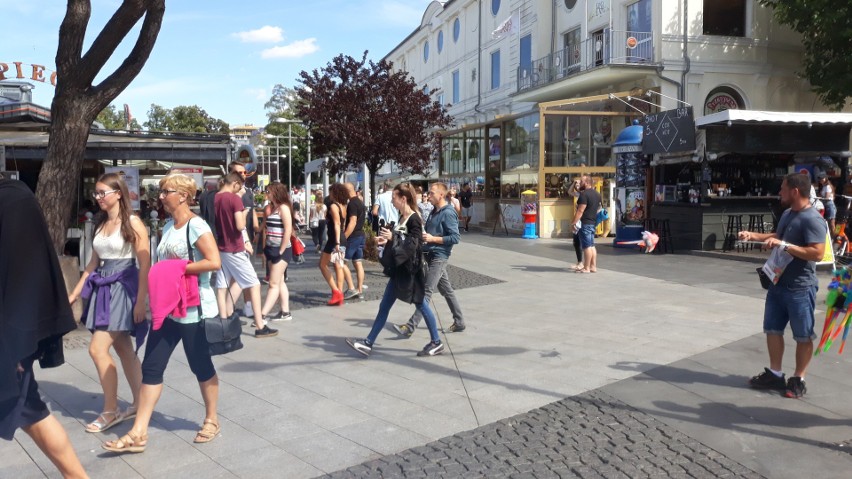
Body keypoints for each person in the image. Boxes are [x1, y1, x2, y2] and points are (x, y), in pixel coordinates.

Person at [103, 174, 223, 453]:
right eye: (160, 191)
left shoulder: (196, 225)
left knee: (201, 367)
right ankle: (139, 431)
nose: (159, 196)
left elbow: (214, 261)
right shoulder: (169, 225)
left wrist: (177, 268)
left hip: (193, 309)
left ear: (182, 195)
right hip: (167, 309)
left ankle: (211, 420)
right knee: (152, 367)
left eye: (165, 191)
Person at [0, 179, 89, 478]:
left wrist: (15, 344)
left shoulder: (14, 202)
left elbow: (22, 279)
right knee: (29, 411)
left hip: (9, 334)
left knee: (30, 410)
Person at [68, 173, 148, 434]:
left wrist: (140, 302)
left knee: (97, 349)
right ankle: (139, 402)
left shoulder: (133, 222)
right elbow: (92, 264)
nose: (99, 197)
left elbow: (145, 264)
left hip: (123, 287)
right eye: (97, 193)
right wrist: (76, 292)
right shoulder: (101, 223)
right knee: (124, 347)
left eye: (103, 192)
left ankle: (110, 411)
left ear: (118, 193)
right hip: (103, 287)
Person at [738, 173, 826, 399]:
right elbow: (779, 235)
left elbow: (817, 253)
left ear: (795, 191)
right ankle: (775, 374)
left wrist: (785, 246)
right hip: (777, 283)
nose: (780, 192)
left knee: (803, 335)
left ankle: (798, 379)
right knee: (772, 330)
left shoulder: (813, 219)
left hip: (800, 287)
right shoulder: (788, 213)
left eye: (783, 189)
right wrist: (754, 236)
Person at [346, 183, 445, 357]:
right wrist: (387, 241)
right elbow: (403, 242)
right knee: (385, 306)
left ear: (403, 198)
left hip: (410, 272)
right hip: (400, 271)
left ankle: (436, 342)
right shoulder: (402, 217)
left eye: (394, 198)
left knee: (421, 304)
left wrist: (394, 237)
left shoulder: (414, 218)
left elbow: (414, 244)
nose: (392, 201)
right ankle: (368, 343)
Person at [393, 182, 466, 337]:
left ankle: (410, 326)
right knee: (447, 290)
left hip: (439, 256)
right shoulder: (434, 211)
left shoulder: (448, 212)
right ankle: (459, 322)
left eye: (432, 193)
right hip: (430, 254)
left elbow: (455, 237)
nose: (429, 195)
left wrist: (433, 239)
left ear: (441, 195)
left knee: (426, 291)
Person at [214, 173, 278, 338]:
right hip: (235, 247)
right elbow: (239, 225)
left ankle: (224, 323)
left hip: (222, 247)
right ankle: (260, 325)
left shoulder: (217, 197)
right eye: (240, 186)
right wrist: (245, 211)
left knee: (222, 286)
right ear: (235, 183)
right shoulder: (234, 199)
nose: (241, 189)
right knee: (254, 284)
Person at [259, 183, 294, 322]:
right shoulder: (274, 208)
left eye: (268, 191)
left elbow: (288, 230)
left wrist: (281, 250)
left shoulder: (284, 208)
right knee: (279, 282)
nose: (266, 193)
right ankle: (285, 312)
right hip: (271, 248)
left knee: (273, 283)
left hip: (281, 250)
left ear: (276, 192)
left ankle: (261, 314)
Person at [320, 183, 349, 306]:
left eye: (331, 192)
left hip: (335, 239)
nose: (329, 194)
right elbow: (342, 224)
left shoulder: (333, 206)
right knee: (339, 265)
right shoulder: (343, 206)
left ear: (335, 193)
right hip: (340, 238)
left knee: (322, 265)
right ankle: (338, 293)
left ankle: (336, 291)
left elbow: (337, 224)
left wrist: (336, 241)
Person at [342, 183, 367, 300]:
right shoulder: (360, 202)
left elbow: (352, 222)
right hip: (361, 235)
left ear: (347, 191)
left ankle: (351, 289)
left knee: (342, 262)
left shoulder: (352, 203)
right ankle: (359, 289)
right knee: (358, 262)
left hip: (353, 236)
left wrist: (344, 236)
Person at [572, 175, 601, 273]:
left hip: (585, 223)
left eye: (582, 181)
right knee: (592, 245)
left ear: (587, 182)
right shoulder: (597, 194)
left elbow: (580, 210)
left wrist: (574, 222)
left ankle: (586, 267)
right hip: (592, 222)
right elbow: (598, 209)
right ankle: (593, 266)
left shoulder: (584, 195)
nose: (580, 183)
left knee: (586, 247)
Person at [567, 178, 584, 271]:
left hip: (581, 221)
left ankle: (582, 263)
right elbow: (569, 191)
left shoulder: (584, 195)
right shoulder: (579, 194)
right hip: (578, 221)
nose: (577, 187)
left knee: (579, 242)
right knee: (576, 242)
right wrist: (574, 183)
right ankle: (579, 262)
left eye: (578, 185)